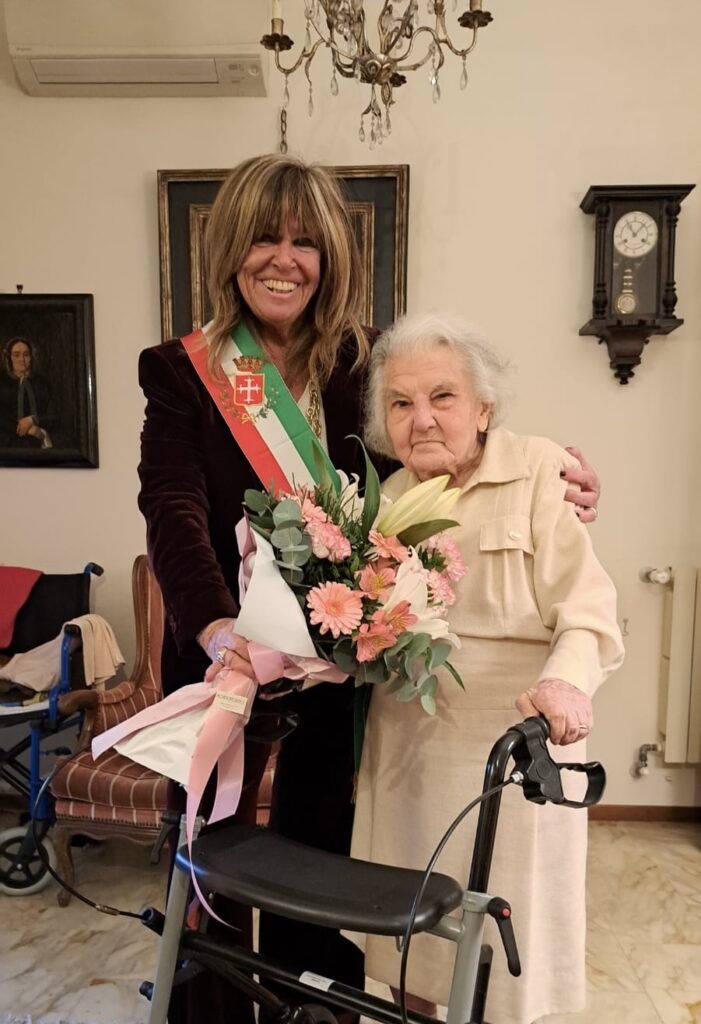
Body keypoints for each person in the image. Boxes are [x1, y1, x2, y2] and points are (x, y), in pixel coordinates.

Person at [136, 154, 602, 1024]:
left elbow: (442, 450)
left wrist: (557, 477)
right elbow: (171, 510)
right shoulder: (184, 369)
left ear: (330, 258)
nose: (284, 260)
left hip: (340, 669)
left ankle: (311, 1010)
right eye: (264, 238)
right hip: (225, 663)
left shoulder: (364, 361)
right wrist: (216, 631)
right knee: (209, 866)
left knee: (326, 860)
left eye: (305, 242)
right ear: (230, 248)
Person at [353, 311, 625, 1024]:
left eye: (442, 397)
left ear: (482, 407)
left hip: (514, 744)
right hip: (406, 752)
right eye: (400, 403)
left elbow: (588, 608)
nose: (421, 419)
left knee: (507, 940)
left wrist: (566, 682)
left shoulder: (539, 471)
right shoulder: (384, 502)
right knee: (407, 930)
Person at [0, 337, 55, 449]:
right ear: (9, 358)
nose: (22, 359)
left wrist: (33, 420)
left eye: (26, 355)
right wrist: (28, 429)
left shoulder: (42, 383)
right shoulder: (2, 382)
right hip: (6, 443)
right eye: (16, 355)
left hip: (38, 442)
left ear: (31, 357)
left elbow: (55, 416)